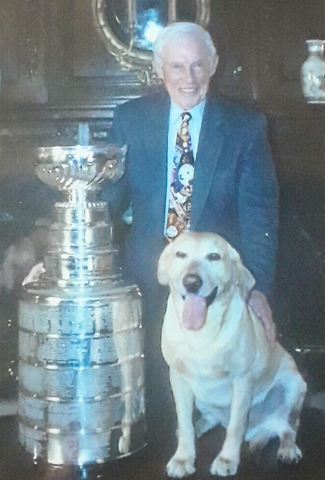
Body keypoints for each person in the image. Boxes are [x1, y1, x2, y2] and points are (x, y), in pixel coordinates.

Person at [103, 22, 278, 353]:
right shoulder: (131, 119)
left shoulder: (246, 127)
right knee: (154, 391)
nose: (189, 78)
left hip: (215, 289)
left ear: (213, 65)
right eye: (177, 66)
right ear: (159, 69)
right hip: (147, 283)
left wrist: (257, 291)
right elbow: (107, 199)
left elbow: (259, 218)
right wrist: (55, 252)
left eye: (198, 64)